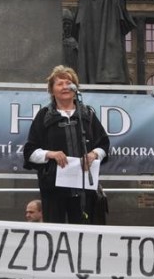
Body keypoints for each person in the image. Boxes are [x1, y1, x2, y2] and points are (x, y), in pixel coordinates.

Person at [23, 66, 110, 224]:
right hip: (54, 190)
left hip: (84, 189)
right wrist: (50, 154)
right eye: (60, 83)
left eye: (68, 83)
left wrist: (93, 154)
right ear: (51, 90)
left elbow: (104, 144)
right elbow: (29, 152)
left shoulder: (87, 115)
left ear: (75, 88)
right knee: (56, 233)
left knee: (84, 233)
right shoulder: (44, 116)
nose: (65, 87)